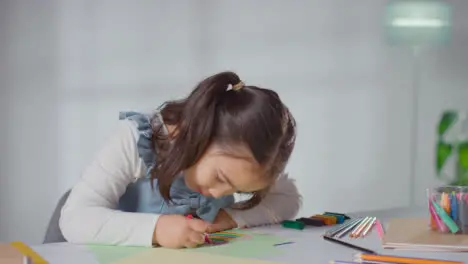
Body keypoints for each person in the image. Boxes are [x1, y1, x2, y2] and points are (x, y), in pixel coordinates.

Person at [59, 71, 301, 249]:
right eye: (220, 178)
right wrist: (157, 230)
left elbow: (288, 198)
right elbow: (75, 218)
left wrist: (233, 216)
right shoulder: (137, 140)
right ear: (201, 132)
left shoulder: (238, 162)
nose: (219, 194)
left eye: (237, 190)